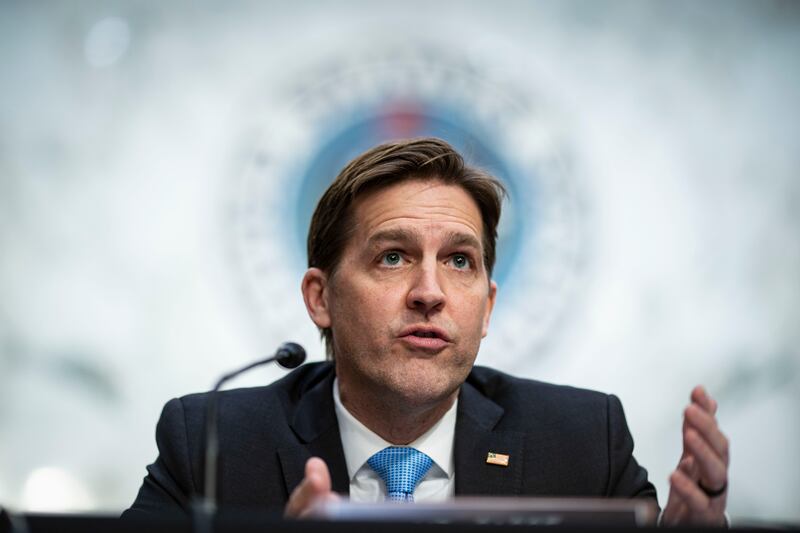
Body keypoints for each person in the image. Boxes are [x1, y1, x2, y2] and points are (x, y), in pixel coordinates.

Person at [125, 138, 729, 526]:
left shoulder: (579, 445)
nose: (430, 292)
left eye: (460, 261)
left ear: (487, 307)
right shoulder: (211, 446)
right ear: (321, 297)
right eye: (392, 256)